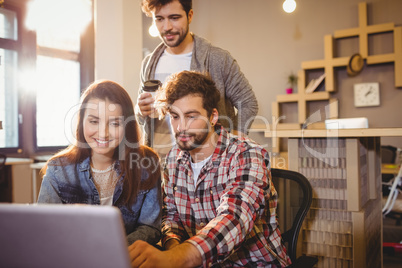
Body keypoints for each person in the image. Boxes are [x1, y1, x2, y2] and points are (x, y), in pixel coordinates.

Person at [129, 71, 291, 267]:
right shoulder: (173, 159)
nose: (180, 127)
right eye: (174, 116)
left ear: (213, 116)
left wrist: (174, 259)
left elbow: (234, 219)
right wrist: (174, 251)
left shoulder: (247, 154)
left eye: (191, 116)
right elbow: (170, 217)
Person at [37, 80, 162, 247]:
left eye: (115, 123)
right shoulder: (58, 170)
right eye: (94, 121)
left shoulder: (147, 164)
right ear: (81, 122)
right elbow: (44, 229)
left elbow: (150, 227)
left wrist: (114, 250)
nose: (103, 133)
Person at [135, 0, 258, 158]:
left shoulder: (217, 59)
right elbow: (141, 114)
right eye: (159, 19)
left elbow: (248, 103)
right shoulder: (149, 64)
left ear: (190, 15)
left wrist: (230, 145)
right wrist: (139, 110)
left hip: (209, 163)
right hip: (161, 163)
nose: (166, 27)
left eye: (174, 17)